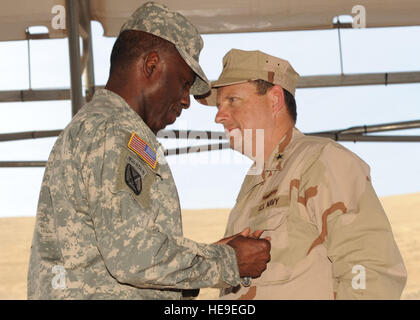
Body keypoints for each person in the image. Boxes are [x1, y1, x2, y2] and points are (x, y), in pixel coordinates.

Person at [27, 3, 270, 300]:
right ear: (151, 65)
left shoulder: (96, 126)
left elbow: (118, 261)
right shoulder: (116, 132)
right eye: (183, 84)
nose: (185, 101)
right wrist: (228, 262)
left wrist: (211, 254)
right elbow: (132, 256)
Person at [195, 48, 407, 299]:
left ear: (274, 100)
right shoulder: (253, 186)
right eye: (219, 106)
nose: (219, 116)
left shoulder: (321, 160)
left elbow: (372, 274)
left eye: (232, 100)